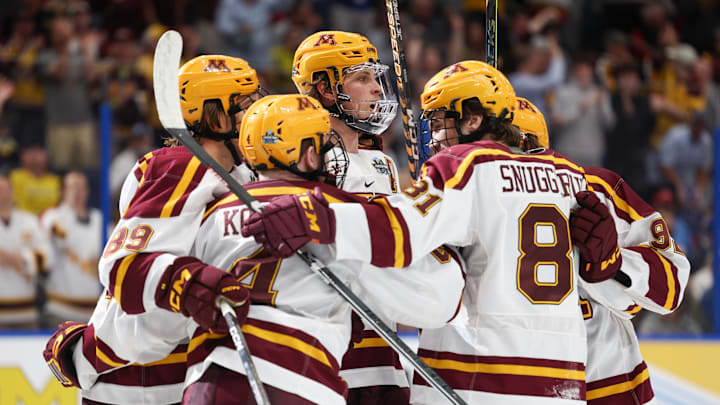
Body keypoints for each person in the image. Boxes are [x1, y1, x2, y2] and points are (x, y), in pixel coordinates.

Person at [243, 60, 607, 404]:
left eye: (439, 123)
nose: (432, 137)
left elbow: (398, 232)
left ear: (473, 119)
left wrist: (322, 218)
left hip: (476, 376)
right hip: (565, 378)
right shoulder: (569, 175)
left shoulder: (464, 165)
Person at [183, 93, 465, 404]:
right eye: (324, 143)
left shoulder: (211, 213)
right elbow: (438, 300)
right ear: (307, 155)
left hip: (207, 383)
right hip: (300, 384)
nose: (332, 152)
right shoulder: (334, 211)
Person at [43, 54, 264, 404]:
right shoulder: (179, 166)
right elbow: (125, 267)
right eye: (247, 104)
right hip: (135, 378)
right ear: (216, 117)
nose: (258, 114)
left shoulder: (243, 174)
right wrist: (191, 285)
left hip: (184, 366)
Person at [513, 97, 690, 404]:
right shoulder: (467, 203)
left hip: (605, 383)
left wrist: (615, 264)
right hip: (531, 387)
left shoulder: (593, 188)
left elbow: (672, 285)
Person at [293, 30, 409, 403]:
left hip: (382, 350)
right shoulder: (299, 161)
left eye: (376, 78)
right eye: (362, 78)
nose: (377, 89)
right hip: (324, 351)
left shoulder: (383, 162)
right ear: (326, 90)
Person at [41, 171, 103, 326]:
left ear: (88, 191)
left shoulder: (99, 219)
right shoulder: (53, 216)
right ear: (63, 191)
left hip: (95, 313)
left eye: (81, 187)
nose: (77, 192)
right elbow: (63, 237)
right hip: (61, 310)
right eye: (73, 187)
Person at [0, 172, 52, 328]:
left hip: (26, 311)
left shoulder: (29, 221)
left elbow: (49, 257)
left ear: (12, 192)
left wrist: (22, 259)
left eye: (5, 189)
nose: (2, 195)